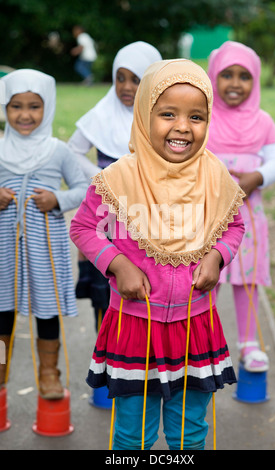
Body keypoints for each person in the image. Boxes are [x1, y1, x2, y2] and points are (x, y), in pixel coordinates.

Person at [70, 59, 245, 450]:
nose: (183, 126)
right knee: (133, 435)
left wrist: (217, 256)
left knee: (191, 431)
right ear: (144, 113)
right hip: (134, 328)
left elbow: (234, 227)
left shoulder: (214, 176)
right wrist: (118, 264)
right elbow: (83, 228)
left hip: (194, 327)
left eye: (196, 116)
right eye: (168, 114)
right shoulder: (118, 179)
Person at [0, 69, 88, 399]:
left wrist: (57, 200)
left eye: (34, 106)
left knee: (46, 310)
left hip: (44, 249)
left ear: (47, 106)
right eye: (15, 106)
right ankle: (0, 367)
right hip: (4, 248)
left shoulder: (58, 151)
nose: (24, 115)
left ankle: (49, 372)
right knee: (1, 311)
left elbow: (83, 189)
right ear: (4, 108)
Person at [68, 41, 162, 332]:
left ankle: (141, 357)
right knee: (106, 285)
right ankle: (106, 355)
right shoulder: (101, 114)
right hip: (108, 218)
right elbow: (72, 150)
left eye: (136, 79)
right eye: (120, 77)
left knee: (146, 285)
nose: (126, 86)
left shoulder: (159, 118)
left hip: (147, 216)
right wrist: (102, 176)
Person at [207, 41, 275, 373]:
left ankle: (249, 343)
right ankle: (203, 339)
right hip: (209, 215)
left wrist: (257, 176)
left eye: (244, 76)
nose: (235, 83)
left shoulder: (263, 120)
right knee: (208, 275)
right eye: (227, 75)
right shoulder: (205, 117)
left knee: (247, 278)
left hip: (249, 217)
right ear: (213, 76)